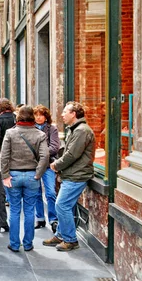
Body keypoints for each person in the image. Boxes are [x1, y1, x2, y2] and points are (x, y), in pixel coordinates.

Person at [43, 102, 95, 252]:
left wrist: (56, 165)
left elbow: (72, 154)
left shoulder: (81, 131)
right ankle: (61, 235)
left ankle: (70, 239)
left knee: (62, 205)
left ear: (74, 114)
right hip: (71, 174)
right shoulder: (75, 129)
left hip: (77, 175)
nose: (62, 114)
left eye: (65, 112)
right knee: (64, 205)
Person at [1, 105, 49, 252]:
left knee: (15, 210)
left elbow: (4, 156)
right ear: (32, 118)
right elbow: (45, 156)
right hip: (31, 176)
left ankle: (14, 244)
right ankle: (28, 244)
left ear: (18, 117)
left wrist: (5, 175)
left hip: (14, 175)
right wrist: (38, 174)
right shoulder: (40, 134)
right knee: (29, 211)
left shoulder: (10, 133)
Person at [33, 105, 61, 233]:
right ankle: (40, 218)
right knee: (36, 193)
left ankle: (53, 219)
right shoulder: (30, 128)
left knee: (50, 192)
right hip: (34, 165)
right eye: (36, 115)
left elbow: (54, 147)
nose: (38, 117)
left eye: (41, 115)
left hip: (48, 165)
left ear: (46, 116)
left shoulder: (52, 129)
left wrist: (40, 153)